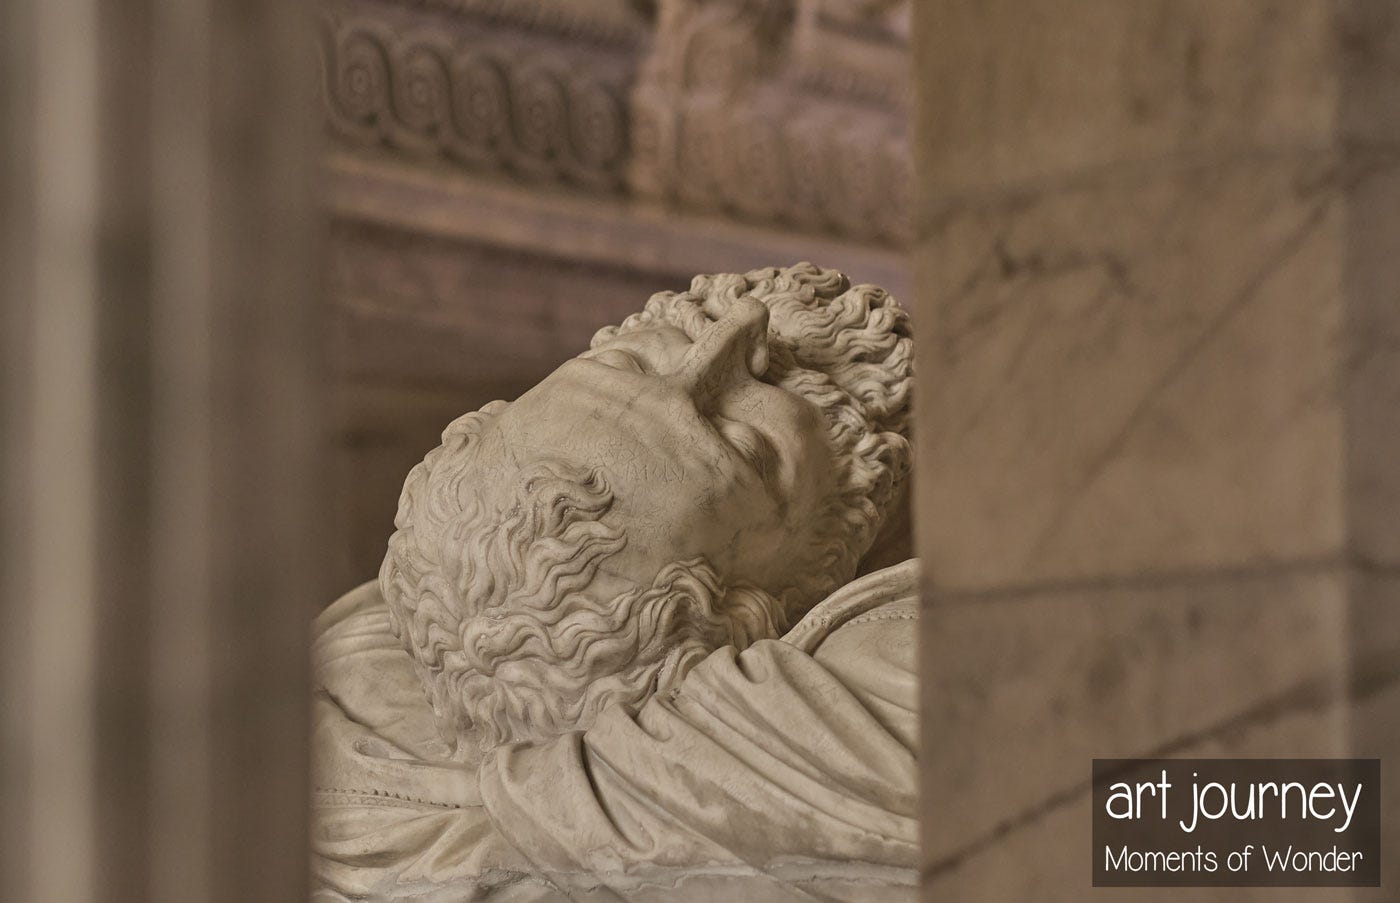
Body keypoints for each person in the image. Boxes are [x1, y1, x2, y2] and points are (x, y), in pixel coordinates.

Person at [312, 263, 917, 901]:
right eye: (741, 441)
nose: (738, 328)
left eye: (630, 365)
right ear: (761, 618)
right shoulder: (864, 717)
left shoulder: (345, 686)